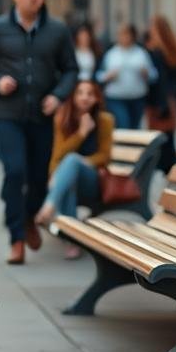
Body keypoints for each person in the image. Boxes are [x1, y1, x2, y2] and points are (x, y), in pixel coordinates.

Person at [0, 0, 78, 265]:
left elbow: (71, 69)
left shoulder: (57, 30)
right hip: (8, 115)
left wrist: (58, 95)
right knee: (15, 172)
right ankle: (16, 237)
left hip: (42, 117)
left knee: (39, 178)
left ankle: (30, 216)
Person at [34, 80, 114, 259]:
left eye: (90, 94)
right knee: (68, 178)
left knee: (72, 162)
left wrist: (82, 162)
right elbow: (58, 155)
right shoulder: (62, 117)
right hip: (68, 179)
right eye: (80, 93)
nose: (85, 97)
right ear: (73, 97)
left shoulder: (104, 120)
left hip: (93, 181)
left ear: (96, 98)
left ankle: (48, 208)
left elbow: (105, 156)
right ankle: (72, 240)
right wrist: (82, 133)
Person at [96, 23, 156, 129]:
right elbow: (99, 75)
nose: (124, 38)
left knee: (134, 127)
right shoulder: (111, 54)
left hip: (137, 97)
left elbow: (153, 75)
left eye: (127, 35)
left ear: (132, 36)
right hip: (116, 97)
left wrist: (146, 73)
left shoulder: (141, 53)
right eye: (121, 35)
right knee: (124, 125)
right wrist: (108, 76)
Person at [145, 15, 176, 172]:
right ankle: (171, 171)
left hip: (158, 102)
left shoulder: (156, 51)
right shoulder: (174, 49)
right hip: (170, 100)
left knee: (160, 141)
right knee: (169, 140)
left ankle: (171, 171)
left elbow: (159, 79)